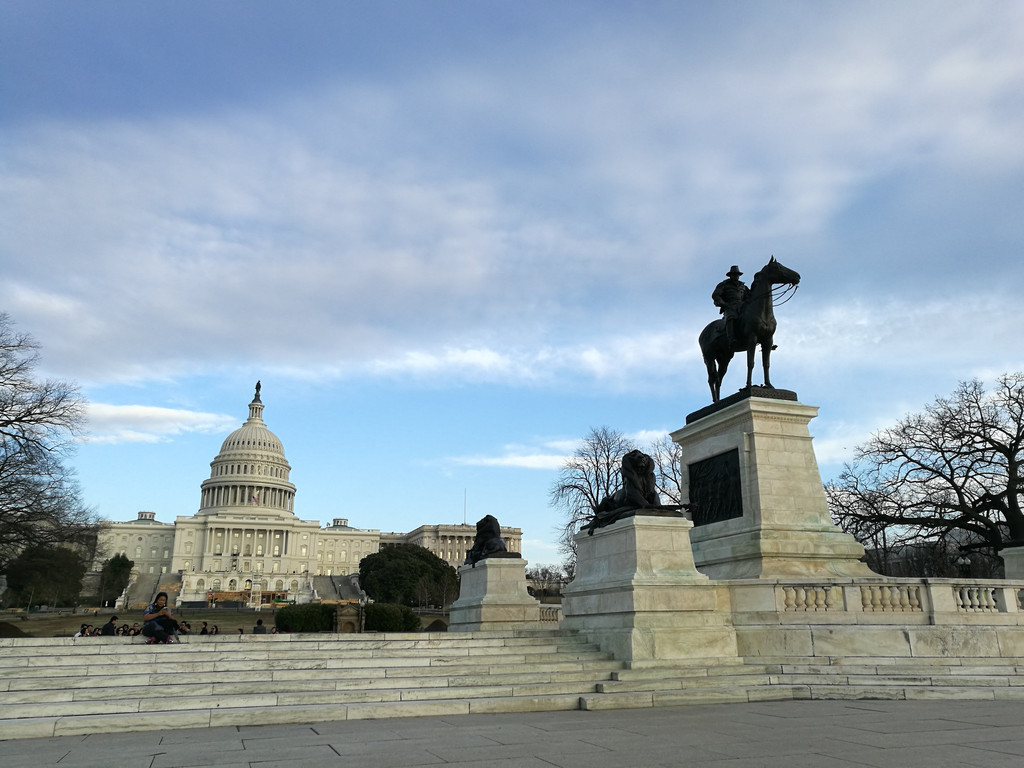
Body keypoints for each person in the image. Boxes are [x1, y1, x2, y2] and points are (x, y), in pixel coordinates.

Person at [712, 265, 750, 348]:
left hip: (742, 306)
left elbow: (749, 297)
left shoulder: (743, 287)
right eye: (734, 274)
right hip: (730, 306)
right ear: (730, 275)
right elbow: (716, 295)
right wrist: (724, 304)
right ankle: (731, 339)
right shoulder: (724, 285)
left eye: (737, 274)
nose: (736, 276)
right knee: (731, 317)